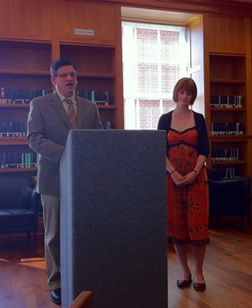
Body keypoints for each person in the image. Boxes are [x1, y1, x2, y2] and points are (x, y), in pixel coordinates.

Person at [27, 57, 103, 305]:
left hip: (84, 182)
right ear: (54, 80)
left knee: (84, 231)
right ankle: (56, 282)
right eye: (64, 75)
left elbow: (99, 139)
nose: (70, 79)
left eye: (72, 74)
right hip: (53, 180)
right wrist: (65, 154)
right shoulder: (39, 104)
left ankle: (82, 277)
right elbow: (34, 139)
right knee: (54, 235)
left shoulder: (90, 107)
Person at [157, 77, 209, 291]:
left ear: (192, 96)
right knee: (177, 225)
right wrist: (174, 173)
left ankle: (198, 272)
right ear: (176, 93)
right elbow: (159, 150)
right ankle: (184, 270)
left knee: (197, 226)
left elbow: (204, 149)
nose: (185, 96)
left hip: (196, 180)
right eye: (182, 92)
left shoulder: (199, 118)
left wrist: (195, 172)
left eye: (189, 93)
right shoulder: (164, 119)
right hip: (173, 181)